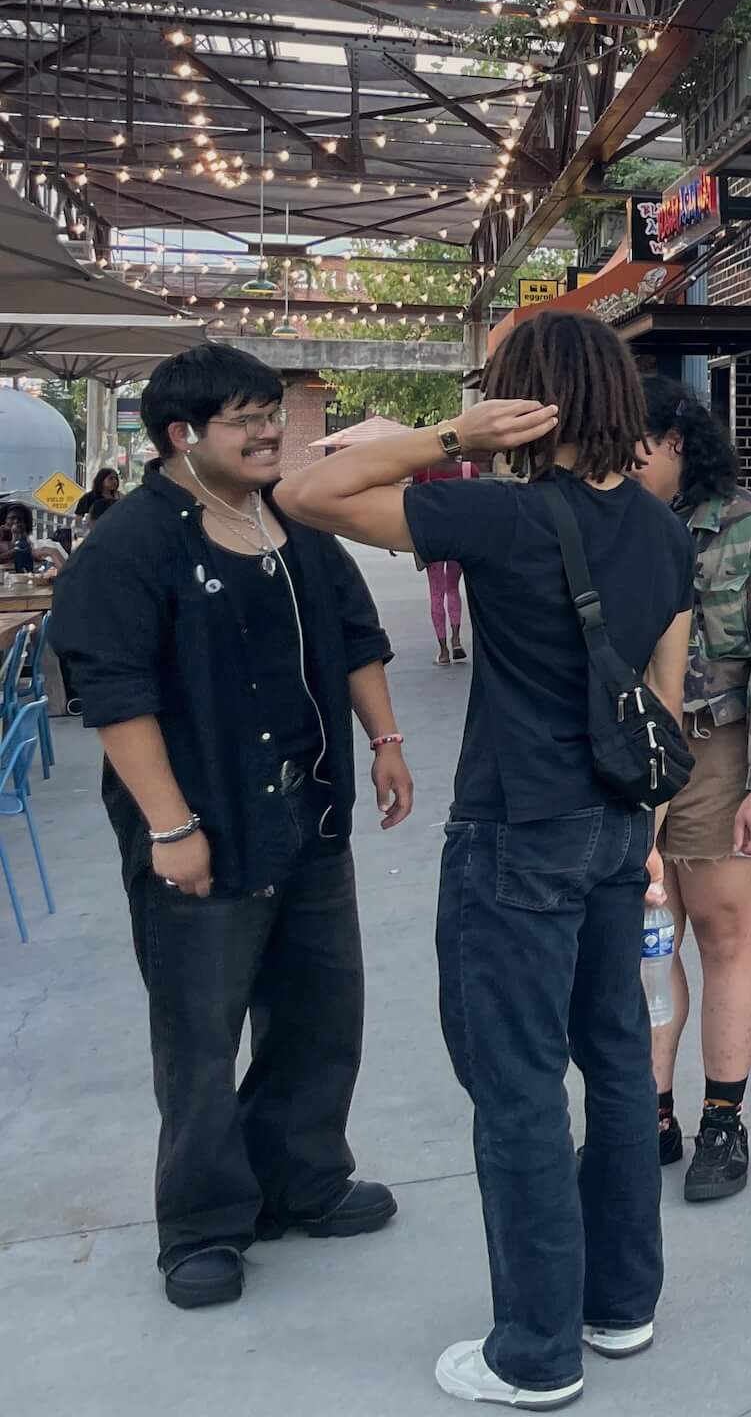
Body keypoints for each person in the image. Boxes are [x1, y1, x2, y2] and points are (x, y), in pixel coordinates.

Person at [279, 311, 691, 1411]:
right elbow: (668, 694)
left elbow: (305, 497)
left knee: (512, 1088)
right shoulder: (659, 527)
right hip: (617, 823)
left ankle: (535, 1351)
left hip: (518, 829)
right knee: (612, 1061)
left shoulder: (498, 513)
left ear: (522, 398)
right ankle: (620, 1303)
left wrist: (443, 434)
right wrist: (647, 839)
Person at [51, 344, 414, 1311]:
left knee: (318, 1012)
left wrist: (384, 738)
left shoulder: (292, 525)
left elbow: (358, 633)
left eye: (272, 414)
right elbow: (114, 696)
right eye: (247, 418)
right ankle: (204, 1227)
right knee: (200, 1034)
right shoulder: (130, 545)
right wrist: (170, 828)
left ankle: (304, 1179)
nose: (270, 433)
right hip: (202, 821)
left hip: (310, 808)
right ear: (183, 435)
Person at [633, 374, 751, 1202]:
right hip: (622, 760)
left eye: (633, 446)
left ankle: (724, 1120)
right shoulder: (606, 522)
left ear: (676, 440)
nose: (617, 461)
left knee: (721, 933)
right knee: (642, 937)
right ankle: (651, 1116)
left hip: (715, 750)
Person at [411, 454, 477, 666]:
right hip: (460, 539)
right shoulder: (469, 471)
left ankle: (443, 651)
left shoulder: (424, 472)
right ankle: (456, 639)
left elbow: (412, 506)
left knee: (436, 594)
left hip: (433, 540)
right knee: (452, 590)